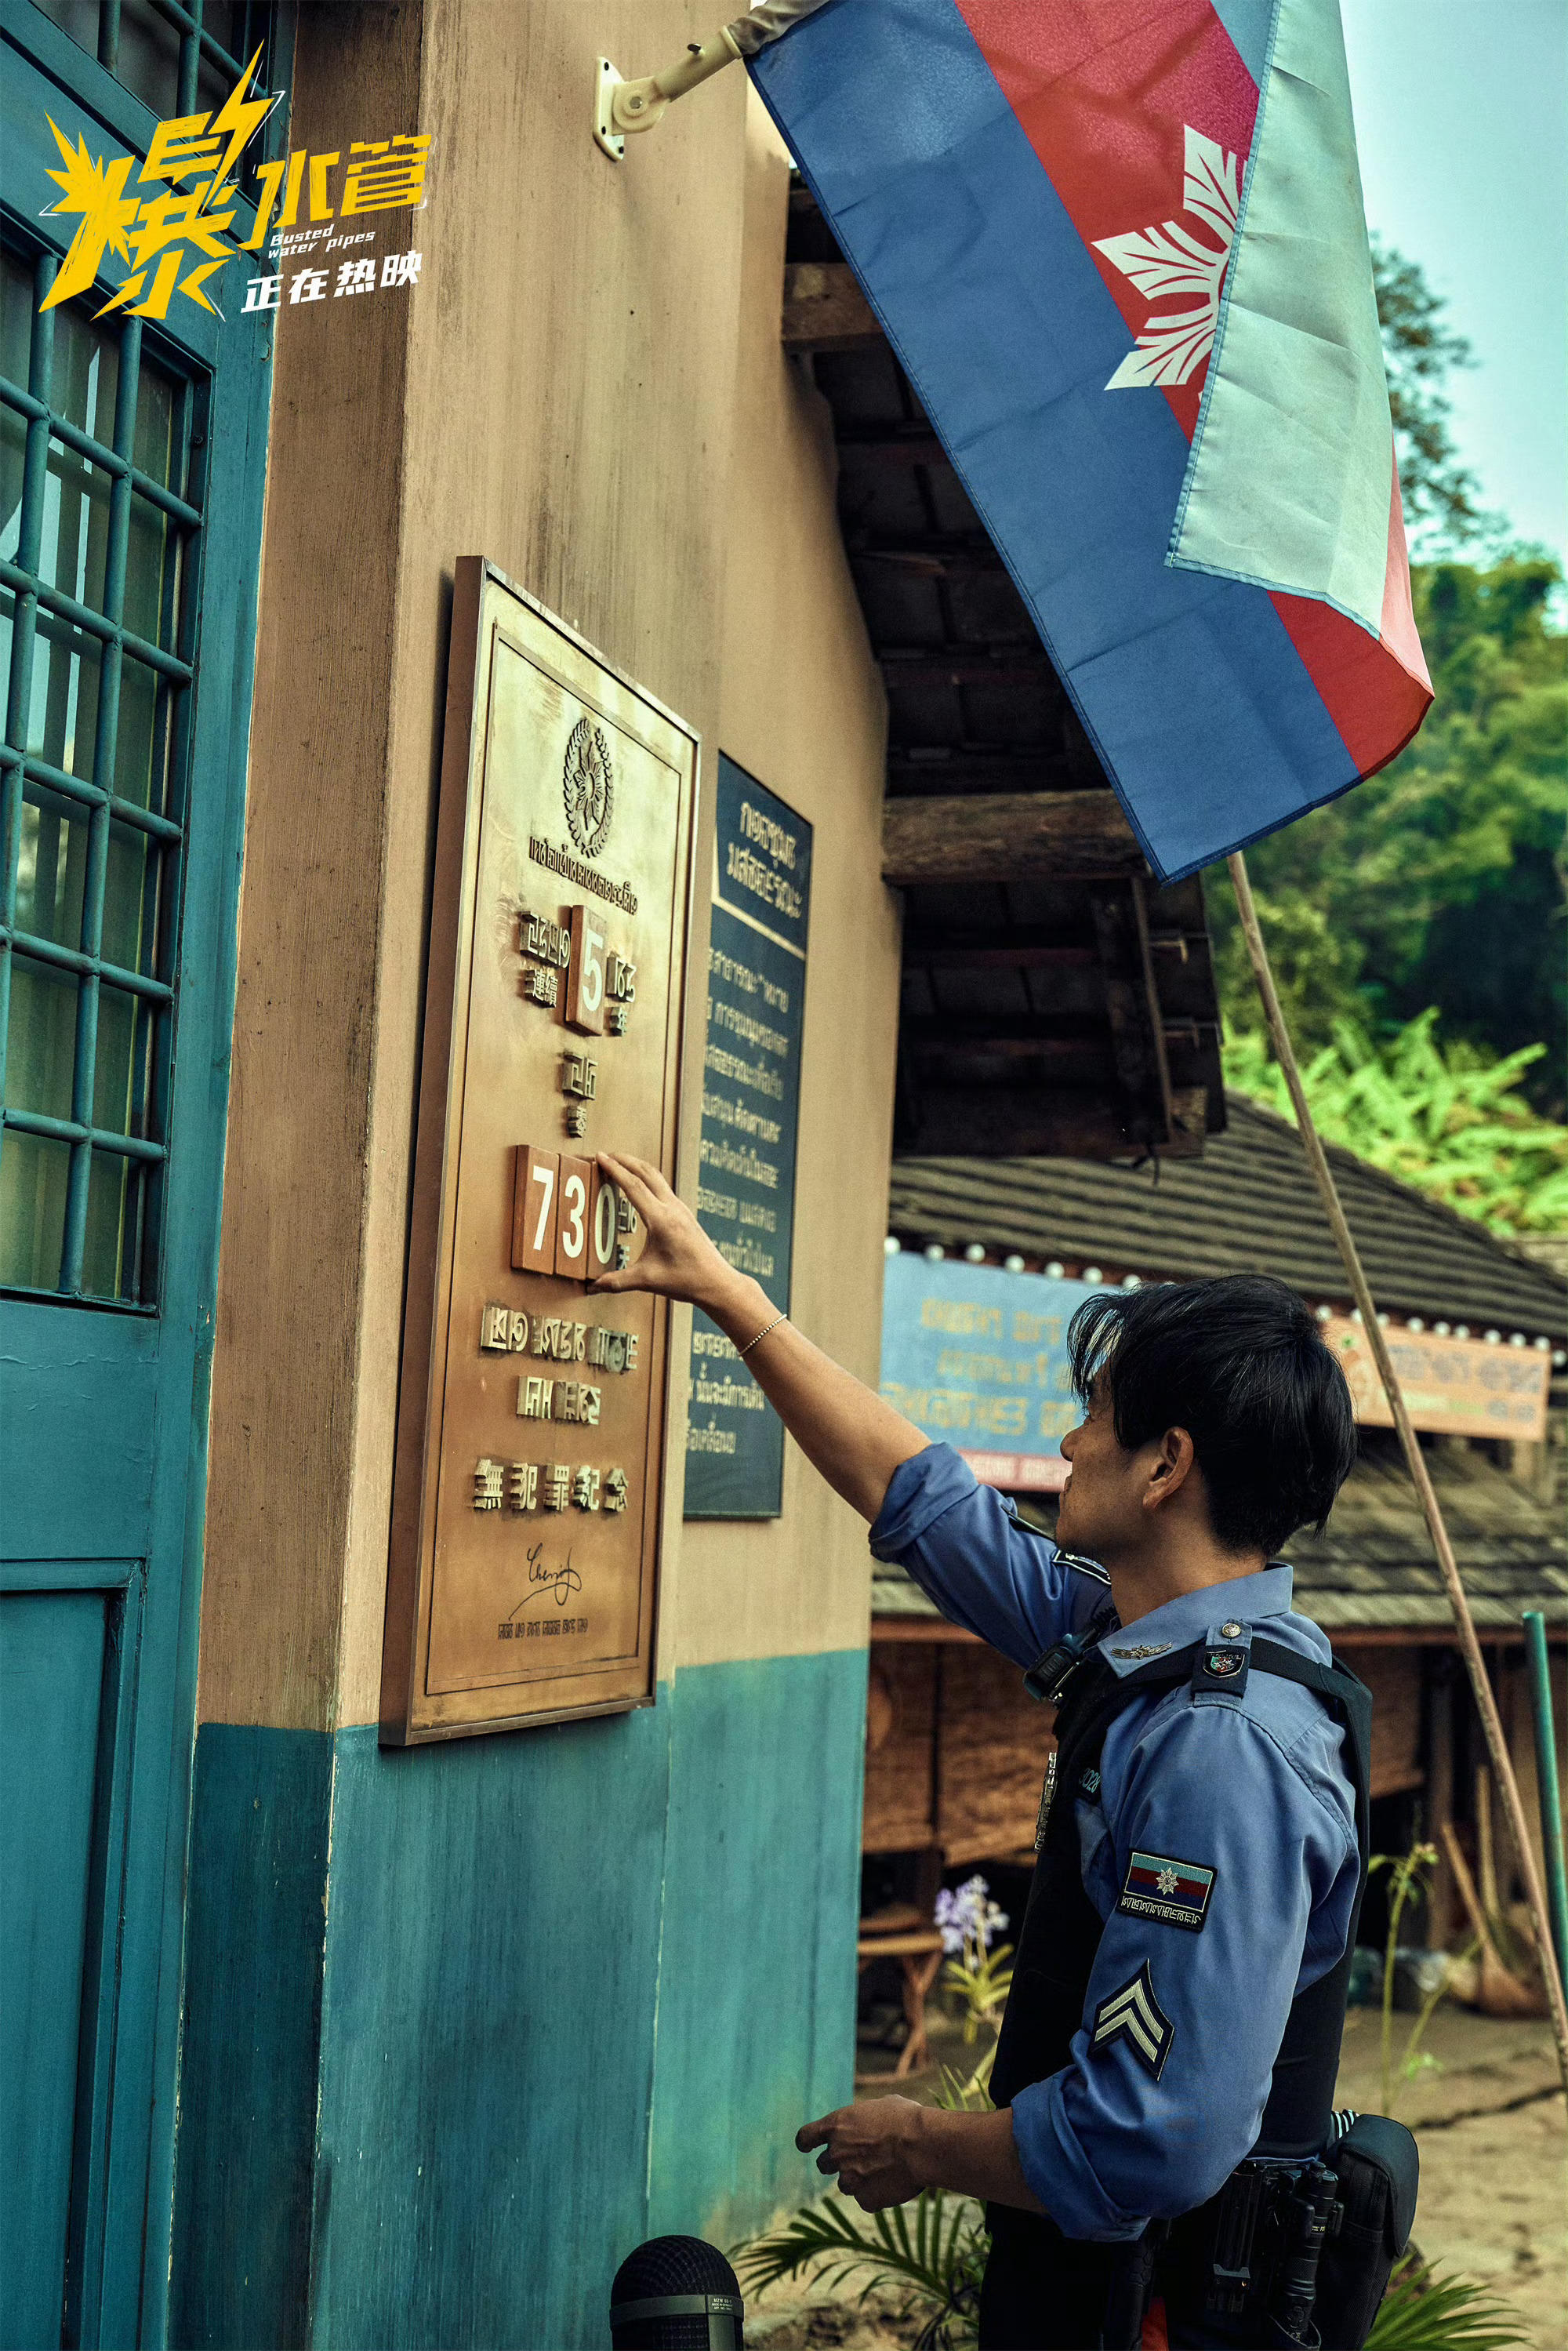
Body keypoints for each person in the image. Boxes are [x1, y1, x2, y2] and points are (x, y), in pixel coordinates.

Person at [593, 1152, 1367, 2351]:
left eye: (1096, 1418)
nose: (1066, 1440)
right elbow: (926, 1501)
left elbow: (1159, 2130)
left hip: (1153, 2307)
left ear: (1166, 1466)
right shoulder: (1148, 1640)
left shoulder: (1227, 1748)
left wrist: (919, 2143)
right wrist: (728, 1296)